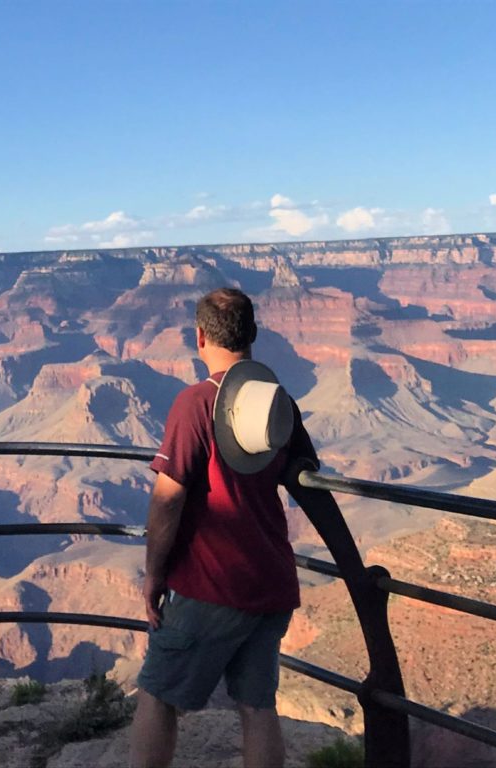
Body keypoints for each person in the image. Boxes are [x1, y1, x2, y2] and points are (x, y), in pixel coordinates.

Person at [129, 287, 318, 768]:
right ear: (254, 335)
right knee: (258, 708)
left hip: (211, 587)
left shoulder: (195, 404)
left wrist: (154, 575)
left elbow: (168, 500)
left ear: (198, 337)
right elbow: (307, 475)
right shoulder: (281, 404)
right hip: (271, 580)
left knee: (156, 694)